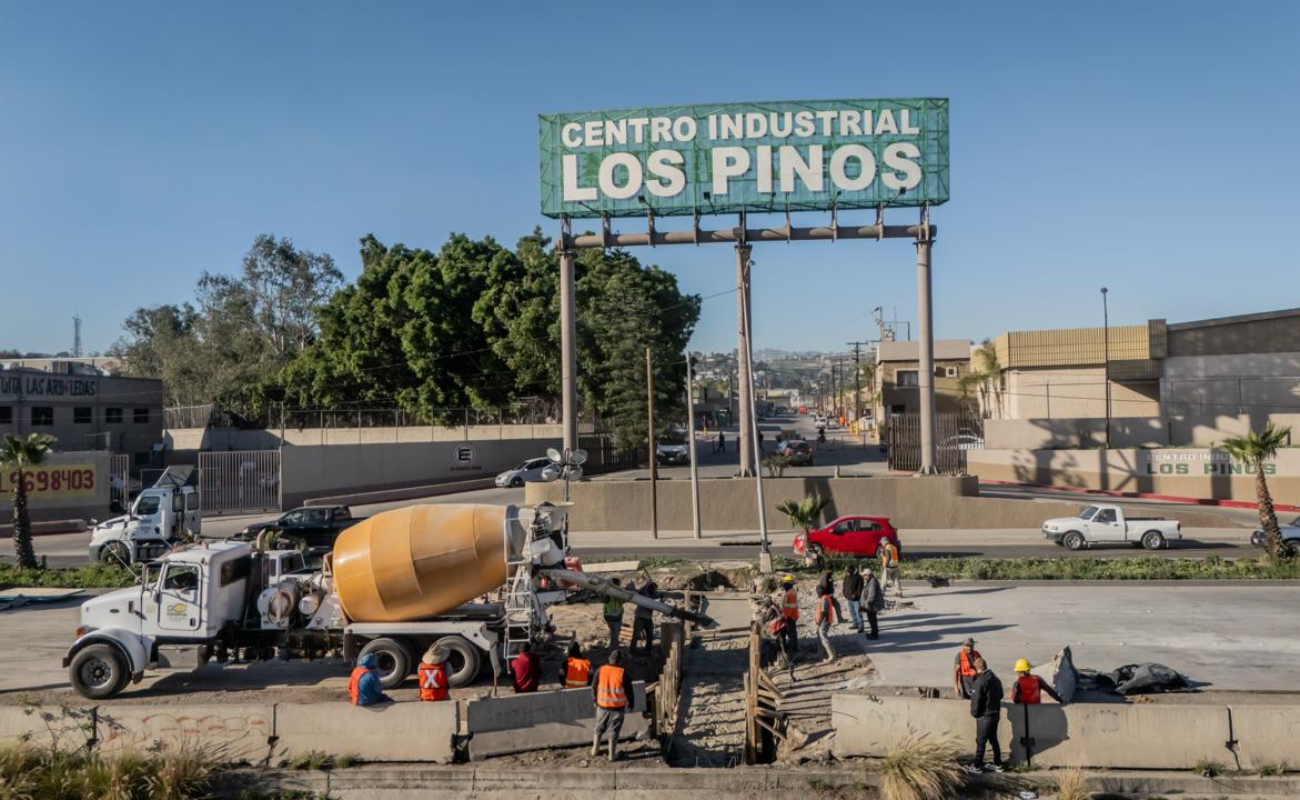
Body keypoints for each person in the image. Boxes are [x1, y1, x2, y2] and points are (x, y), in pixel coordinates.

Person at [592, 649, 635, 762]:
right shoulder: (622, 672)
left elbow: (594, 686)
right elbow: (629, 691)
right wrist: (631, 704)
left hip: (602, 707)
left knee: (599, 728)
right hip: (617, 708)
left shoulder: (600, 670)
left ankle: (595, 750)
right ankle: (612, 755)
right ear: (620, 661)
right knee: (614, 731)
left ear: (609, 659)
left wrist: (594, 700)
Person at [967, 657, 1005, 774]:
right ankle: (998, 764)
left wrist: (975, 714)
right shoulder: (995, 679)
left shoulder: (980, 681)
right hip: (995, 714)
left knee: (981, 741)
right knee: (994, 740)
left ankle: (977, 766)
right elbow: (1001, 695)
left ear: (977, 668)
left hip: (985, 716)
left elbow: (976, 700)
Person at [631, 580, 658, 654]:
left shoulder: (653, 595)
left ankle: (648, 650)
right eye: (652, 589)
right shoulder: (643, 593)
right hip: (640, 617)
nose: (653, 590)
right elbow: (639, 591)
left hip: (648, 618)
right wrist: (648, 583)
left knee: (650, 635)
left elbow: (657, 598)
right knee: (636, 635)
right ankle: (632, 651)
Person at [814, 583, 837, 662]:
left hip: (825, 621)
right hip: (824, 621)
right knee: (820, 636)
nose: (817, 593)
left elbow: (823, 613)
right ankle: (821, 654)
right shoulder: (825, 597)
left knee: (823, 637)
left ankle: (831, 655)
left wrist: (818, 623)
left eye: (818, 591)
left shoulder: (824, 599)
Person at [779, 575, 800, 657]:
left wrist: (786, 617)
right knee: (793, 633)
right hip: (792, 615)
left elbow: (790, 608)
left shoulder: (789, 594)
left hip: (790, 616)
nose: (784, 585)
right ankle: (794, 647)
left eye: (785, 583)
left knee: (791, 634)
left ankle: (793, 650)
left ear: (789, 584)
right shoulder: (791, 591)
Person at [861, 566, 883, 640]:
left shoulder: (872, 581)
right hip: (871, 605)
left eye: (864, 575)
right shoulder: (871, 580)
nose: (863, 577)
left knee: (872, 619)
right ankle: (873, 633)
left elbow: (872, 595)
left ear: (868, 575)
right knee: (871, 619)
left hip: (872, 605)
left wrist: (866, 604)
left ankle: (874, 635)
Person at [842, 563, 864, 633]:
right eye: (846, 571)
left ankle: (861, 627)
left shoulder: (859, 577)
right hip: (849, 598)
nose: (847, 572)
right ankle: (855, 624)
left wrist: (856, 595)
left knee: (858, 613)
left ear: (852, 570)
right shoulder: (846, 577)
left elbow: (860, 588)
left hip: (856, 599)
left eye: (848, 571)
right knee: (852, 612)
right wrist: (845, 594)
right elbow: (844, 586)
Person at [603, 580, 625, 648]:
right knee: (615, 632)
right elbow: (605, 600)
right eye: (618, 583)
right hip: (613, 616)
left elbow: (622, 601)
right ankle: (614, 647)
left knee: (614, 632)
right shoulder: (609, 593)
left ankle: (613, 645)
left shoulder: (616, 593)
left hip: (613, 616)